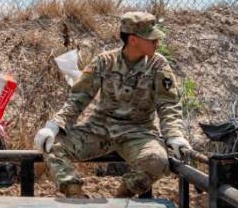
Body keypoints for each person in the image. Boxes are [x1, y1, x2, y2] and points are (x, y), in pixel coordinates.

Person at [34, 11, 192, 198]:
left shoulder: (158, 65)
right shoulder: (104, 61)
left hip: (138, 133)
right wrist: (54, 125)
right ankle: (74, 194)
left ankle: (122, 197)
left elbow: (169, 104)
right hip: (99, 129)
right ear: (133, 40)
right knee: (52, 145)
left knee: (156, 160)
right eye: (151, 38)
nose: (156, 42)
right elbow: (78, 98)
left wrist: (174, 135)